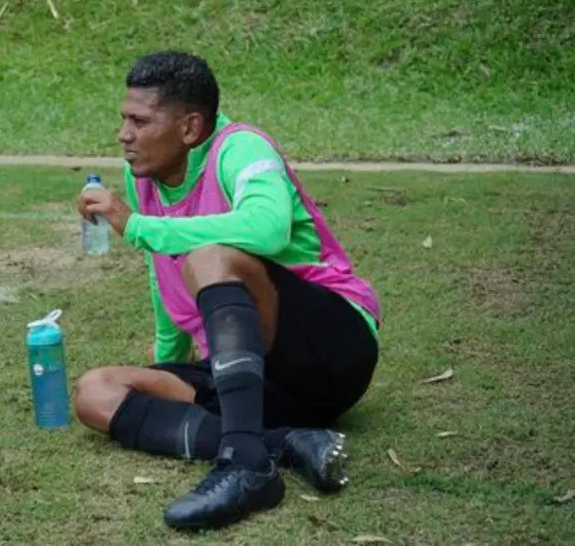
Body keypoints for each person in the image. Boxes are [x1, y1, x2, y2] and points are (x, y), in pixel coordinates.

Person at [74, 51, 382, 530]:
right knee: (97, 393)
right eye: (123, 120)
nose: (124, 135)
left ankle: (245, 466)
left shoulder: (242, 149)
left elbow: (268, 229)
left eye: (139, 121)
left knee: (209, 255)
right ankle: (284, 443)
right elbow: (165, 275)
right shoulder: (147, 182)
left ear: (190, 128)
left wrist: (137, 227)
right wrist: (167, 359)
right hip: (253, 377)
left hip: (330, 349)